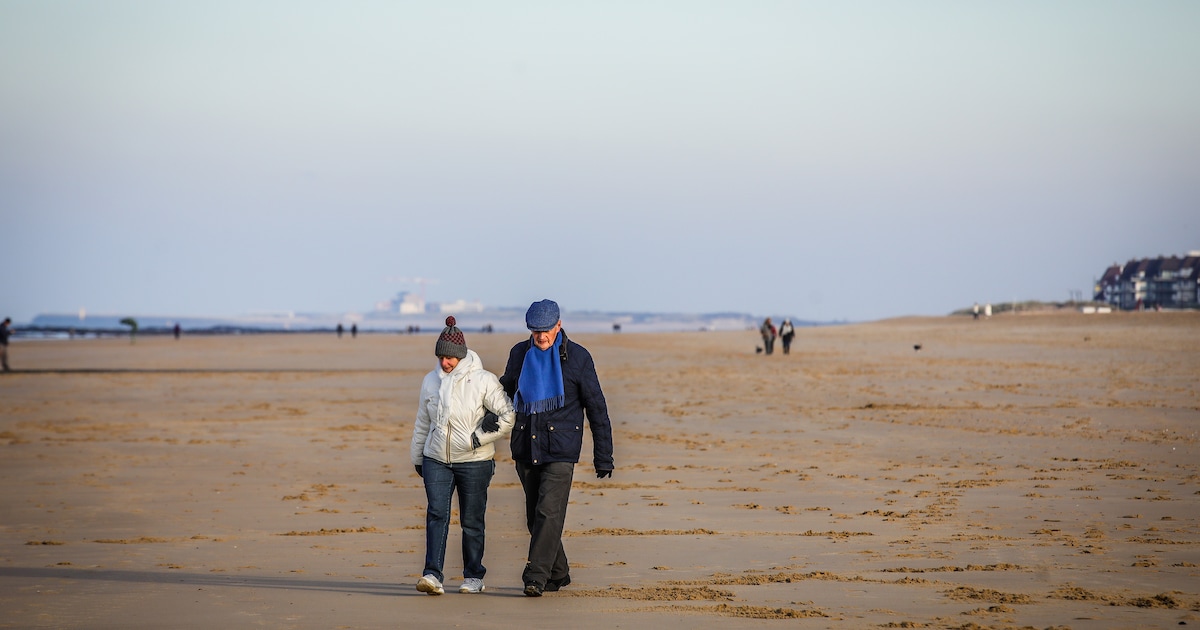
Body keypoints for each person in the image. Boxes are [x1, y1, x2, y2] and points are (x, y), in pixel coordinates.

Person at [500, 299, 614, 597]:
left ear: (559, 325)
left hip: (561, 449)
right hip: (526, 446)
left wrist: (603, 456)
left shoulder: (578, 357)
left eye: (546, 330)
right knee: (534, 518)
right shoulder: (519, 354)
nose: (541, 336)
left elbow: (596, 407)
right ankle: (558, 572)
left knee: (548, 513)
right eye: (535, 331)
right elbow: (504, 392)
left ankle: (535, 576)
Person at [410, 316, 515, 596]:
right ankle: (432, 575)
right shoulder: (430, 381)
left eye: (449, 357)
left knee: (472, 521)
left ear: (461, 355)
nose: (445, 362)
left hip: (475, 462)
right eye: (441, 357)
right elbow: (422, 422)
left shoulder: (483, 380)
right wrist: (417, 456)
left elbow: (508, 414)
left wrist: (477, 439)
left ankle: (474, 576)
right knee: (436, 514)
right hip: (436, 460)